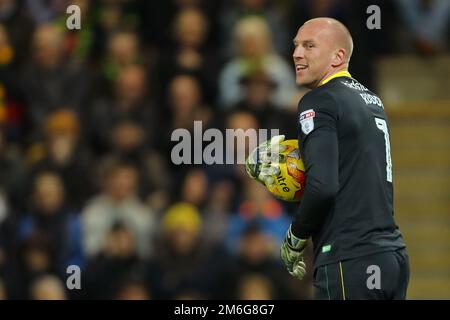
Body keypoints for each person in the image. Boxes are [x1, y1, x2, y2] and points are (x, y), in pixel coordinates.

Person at [247, 18, 409, 300]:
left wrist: (295, 237)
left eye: (310, 46)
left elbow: (323, 186)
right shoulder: (372, 100)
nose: (297, 53)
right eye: (296, 45)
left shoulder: (319, 100)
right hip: (390, 257)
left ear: (339, 56)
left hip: (350, 257)